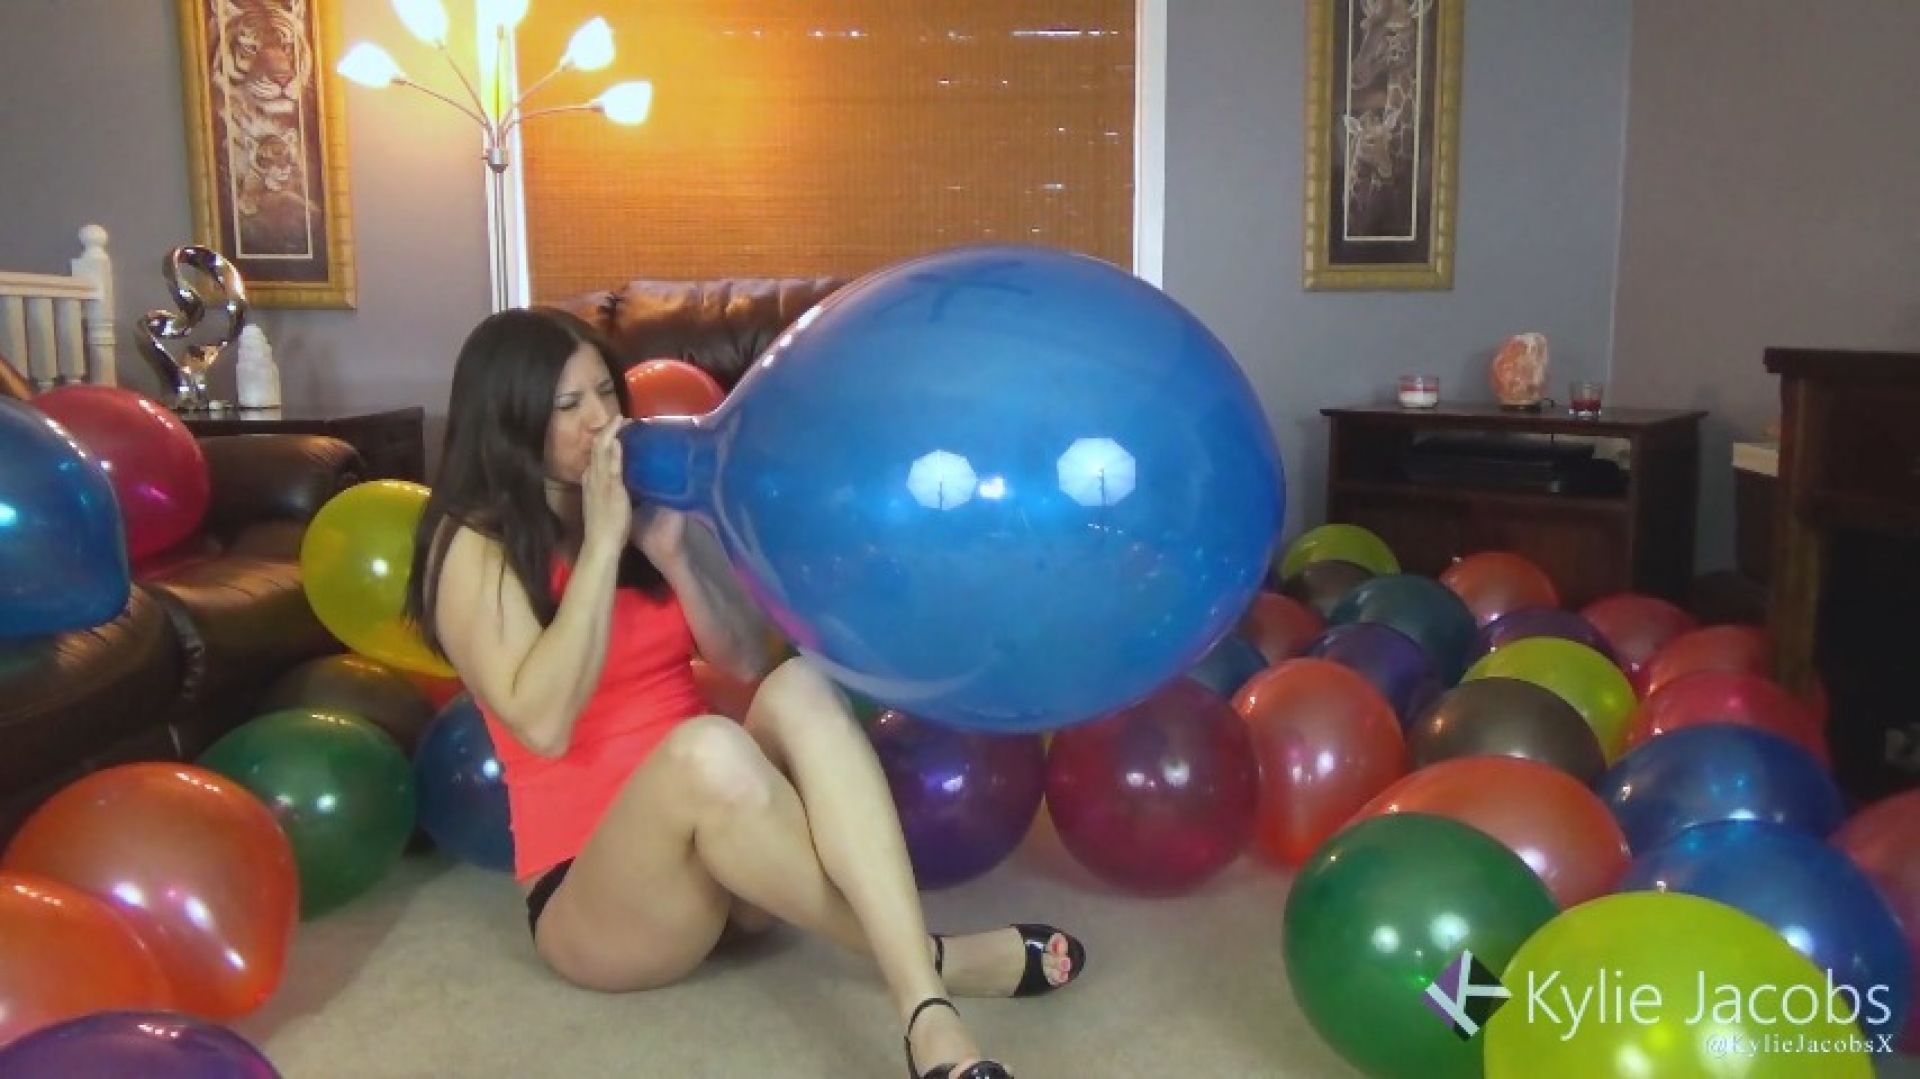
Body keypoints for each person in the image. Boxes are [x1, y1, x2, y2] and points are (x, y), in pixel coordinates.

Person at [405, 308, 1085, 1079]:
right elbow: (544, 723)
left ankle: (922, 993)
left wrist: (672, 553)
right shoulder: (471, 543)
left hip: (734, 847)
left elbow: (741, 657)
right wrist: (599, 547)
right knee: (706, 749)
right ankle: (935, 978)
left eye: (606, 391)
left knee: (800, 682)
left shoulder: (640, 501)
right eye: (569, 405)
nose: (602, 419)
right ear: (508, 422)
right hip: (601, 903)